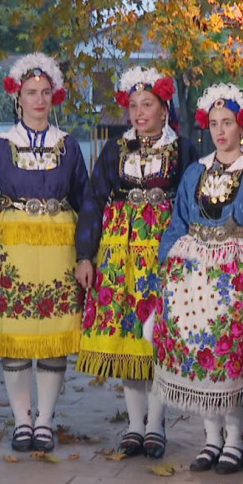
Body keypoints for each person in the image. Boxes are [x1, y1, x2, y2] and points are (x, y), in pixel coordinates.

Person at [0, 53, 89, 454]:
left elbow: (87, 201)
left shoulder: (68, 147)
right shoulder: (0, 146)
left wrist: (87, 251)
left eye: (45, 93)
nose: (38, 100)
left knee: (51, 339)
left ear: (55, 97)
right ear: (18, 98)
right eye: (30, 93)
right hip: (13, 255)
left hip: (59, 254)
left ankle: (46, 421)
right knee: (16, 339)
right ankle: (21, 421)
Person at [150, 83, 243, 475]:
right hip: (193, 272)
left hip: (235, 274)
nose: (221, 131)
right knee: (200, 355)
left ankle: (235, 441)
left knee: (228, 357)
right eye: (215, 123)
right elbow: (178, 221)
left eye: (229, 123)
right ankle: (210, 440)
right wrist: (165, 268)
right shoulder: (195, 171)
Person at [74, 66, 195, 459]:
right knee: (129, 339)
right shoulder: (115, 150)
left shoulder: (183, 150)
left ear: (164, 108)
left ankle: (156, 424)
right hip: (119, 253)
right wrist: (85, 255)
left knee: (155, 336)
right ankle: (133, 424)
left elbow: (193, 203)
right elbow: (93, 200)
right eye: (133, 106)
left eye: (148, 105)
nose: (139, 113)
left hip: (163, 253)